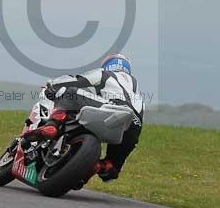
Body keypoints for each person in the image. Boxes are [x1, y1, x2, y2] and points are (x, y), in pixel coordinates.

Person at [22, 53, 144, 182]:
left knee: (70, 92)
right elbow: (139, 115)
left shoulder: (105, 73)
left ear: (108, 65)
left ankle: (52, 125)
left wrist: (54, 85)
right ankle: (98, 166)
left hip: (113, 107)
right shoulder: (136, 90)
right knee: (112, 167)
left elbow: (78, 80)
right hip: (133, 125)